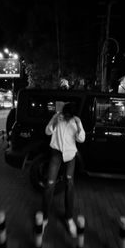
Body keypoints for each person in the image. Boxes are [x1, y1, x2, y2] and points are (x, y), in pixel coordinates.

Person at [41, 102, 85, 238]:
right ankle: (44, 218)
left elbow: (81, 139)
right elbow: (47, 132)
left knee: (69, 184)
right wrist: (54, 121)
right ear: (63, 112)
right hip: (56, 153)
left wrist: (78, 125)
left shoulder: (75, 121)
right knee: (49, 184)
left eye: (69, 116)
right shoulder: (57, 117)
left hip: (70, 155)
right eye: (65, 115)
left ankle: (69, 218)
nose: (66, 118)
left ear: (72, 115)